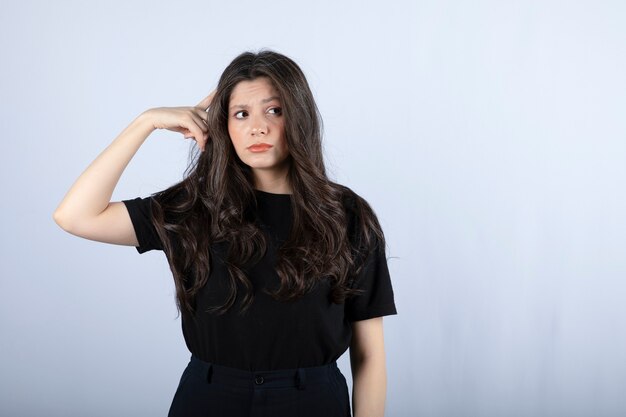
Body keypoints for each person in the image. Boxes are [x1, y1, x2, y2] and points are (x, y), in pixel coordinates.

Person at [53, 49, 397, 417]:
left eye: (274, 110)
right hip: (210, 399)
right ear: (223, 126)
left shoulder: (345, 214)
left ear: (300, 118)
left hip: (312, 400)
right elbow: (76, 216)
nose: (257, 127)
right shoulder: (192, 208)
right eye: (241, 114)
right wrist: (146, 121)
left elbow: (369, 353)